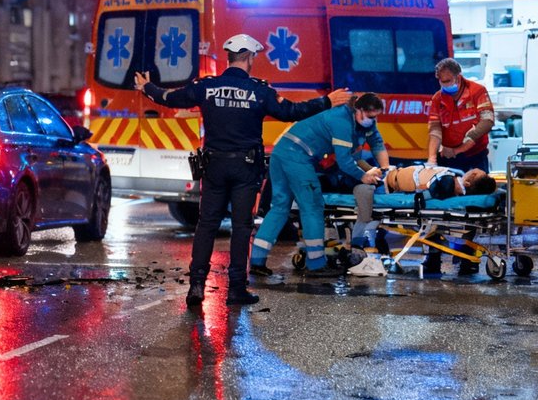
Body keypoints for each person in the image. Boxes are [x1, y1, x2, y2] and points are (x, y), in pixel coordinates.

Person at [135, 33, 351, 306]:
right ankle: (236, 289)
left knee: (206, 226)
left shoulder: (206, 87)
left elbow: (170, 98)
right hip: (245, 169)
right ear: (249, 58)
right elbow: (292, 112)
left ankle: (196, 287)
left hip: (213, 166)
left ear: (230, 57)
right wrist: (327, 102)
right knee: (241, 228)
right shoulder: (260, 91)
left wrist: (146, 87)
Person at [250, 92, 387, 281]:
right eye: (371, 116)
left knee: (280, 208)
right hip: (297, 157)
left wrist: (385, 169)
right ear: (358, 110)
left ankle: (257, 261)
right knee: (313, 207)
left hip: (281, 153)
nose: (373, 120)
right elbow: (345, 161)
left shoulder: (361, 120)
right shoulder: (341, 120)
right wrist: (364, 176)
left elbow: (377, 143)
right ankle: (316, 264)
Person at [427, 57, 495, 173]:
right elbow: (435, 130)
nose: (444, 85)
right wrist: (432, 159)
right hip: (448, 157)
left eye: (447, 81)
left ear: (458, 77)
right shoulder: (437, 99)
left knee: (477, 187)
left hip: (475, 155)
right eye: (441, 82)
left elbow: (487, 121)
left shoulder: (477, 91)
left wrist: (464, 144)